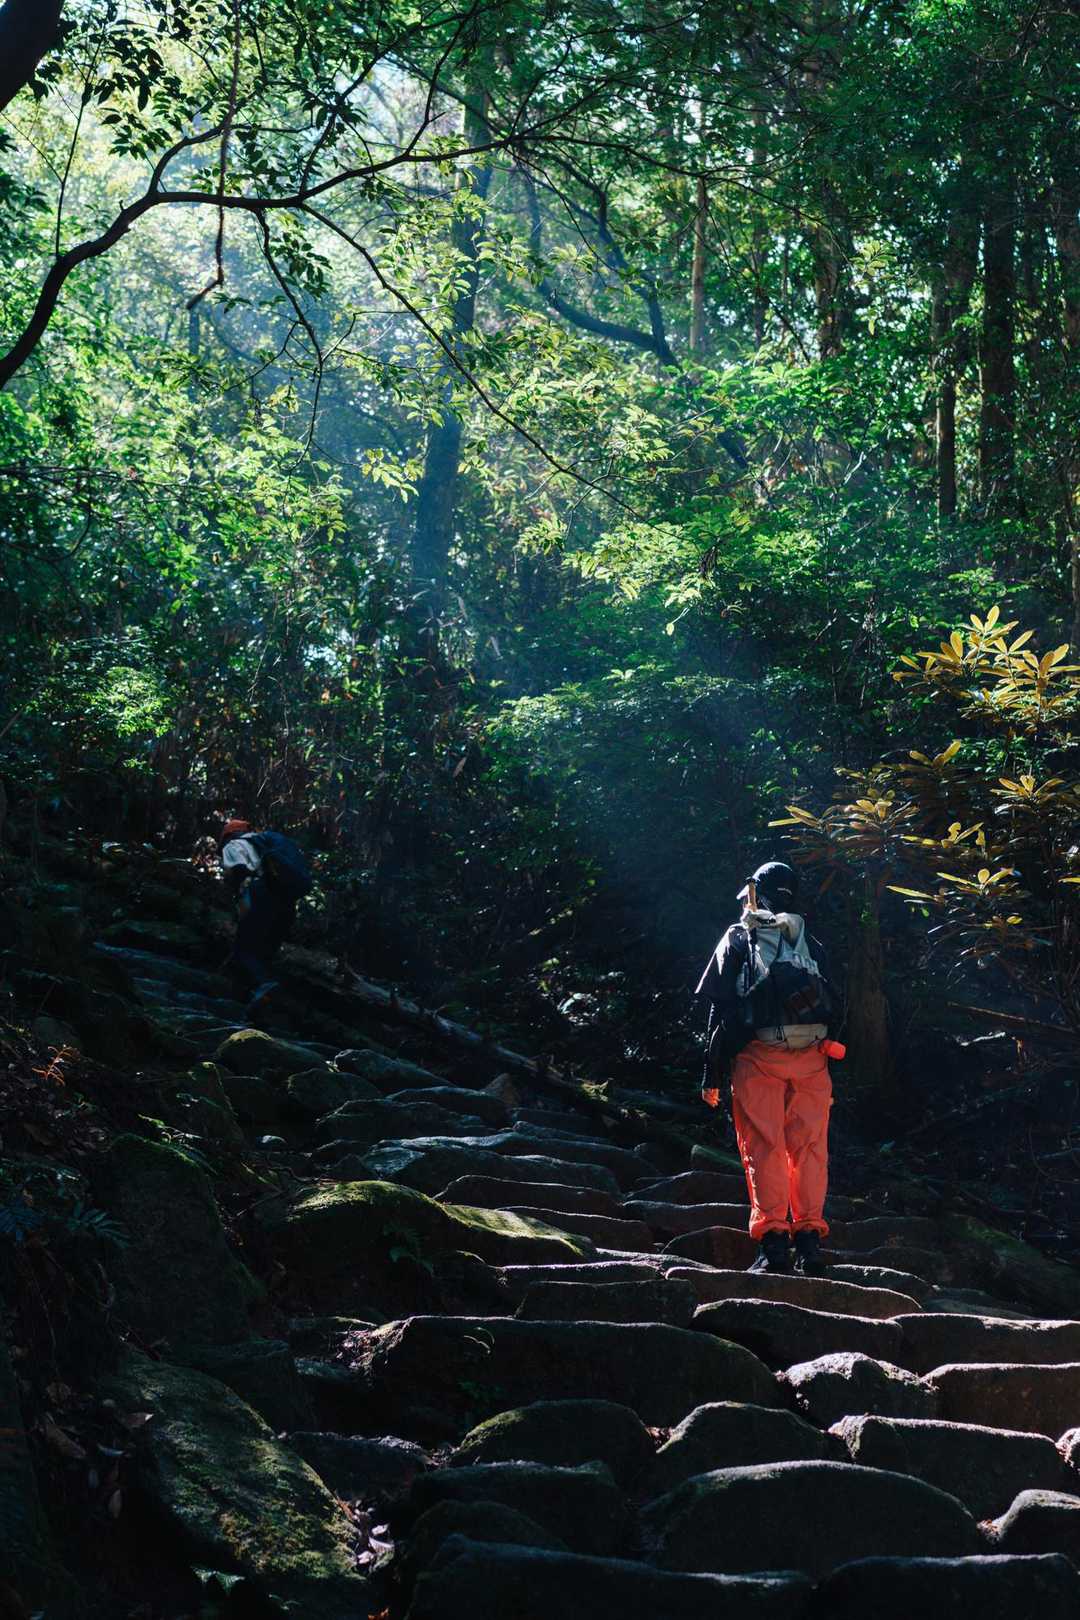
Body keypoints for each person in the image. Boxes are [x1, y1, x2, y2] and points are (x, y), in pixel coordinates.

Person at [695, 859, 839, 1276]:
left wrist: (711, 1072)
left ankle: (774, 1244)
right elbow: (836, 1002)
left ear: (755, 894)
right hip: (812, 1059)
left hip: (759, 1056)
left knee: (765, 1146)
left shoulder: (740, 936)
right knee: (810, 1149)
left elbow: (720, 1007)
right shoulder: (808, 940)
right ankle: (810, 1243)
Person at [217, 818, 312, 1015]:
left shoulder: (234, 844)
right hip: (286, 902)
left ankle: (265, 986)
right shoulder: (269, 844)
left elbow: (240, 869)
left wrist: (237, 895)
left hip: (260, 893)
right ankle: (260, 1002)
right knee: (265, 953)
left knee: (244, 950)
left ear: (228, 836)